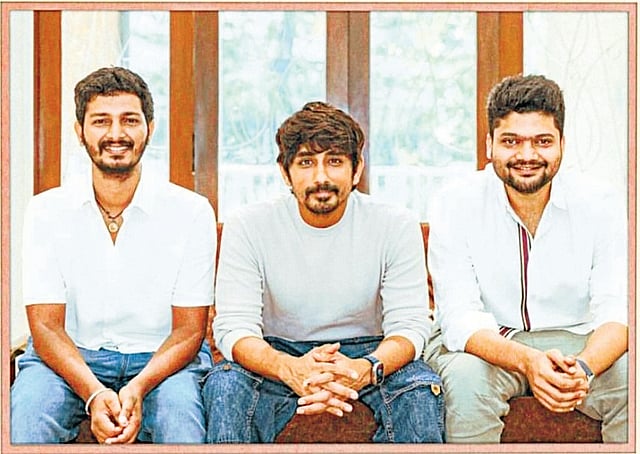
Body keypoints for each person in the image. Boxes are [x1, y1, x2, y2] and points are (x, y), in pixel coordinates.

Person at [202, 101, 444, 443]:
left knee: (419, 389)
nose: (321, 177)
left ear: (357, 170)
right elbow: (234, 329)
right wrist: (290, 368)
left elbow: (410, 327)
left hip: (372, 353)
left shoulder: (395, 224)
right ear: (285, 172)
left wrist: (362, 370)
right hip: (274, 353)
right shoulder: (249, 225)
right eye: (306, 162)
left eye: (335, 161)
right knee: (226, 385)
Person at [11, 67, 217, 444]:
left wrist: (137, 387)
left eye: (130, 120)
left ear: (150, 129)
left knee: (182, 428)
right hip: (68, 358)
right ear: (80, 131)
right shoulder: (45, 211)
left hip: (162, 362)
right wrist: (94, 394)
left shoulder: (192, 212)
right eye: (101, 121)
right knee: (25, 425)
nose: (116, 134)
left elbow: (190, 330)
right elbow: (46, 326)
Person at [425, 74, 628, 443]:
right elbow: (459, 316)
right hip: (489, 346)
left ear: (562, 144)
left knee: (634, 378)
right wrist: (527, 361)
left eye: (542, 141)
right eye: (511, 141)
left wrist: (583, 369)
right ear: (489, 145)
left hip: (578, 342)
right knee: (466, 384)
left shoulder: (602, 203)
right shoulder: (455, 202)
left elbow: (618, 312)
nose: (527, 155)